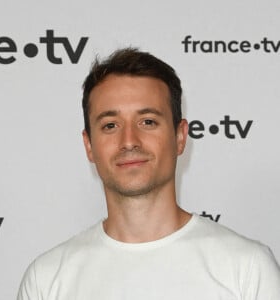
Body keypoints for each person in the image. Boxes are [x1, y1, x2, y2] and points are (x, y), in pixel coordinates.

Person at [17, 48, 280, 299]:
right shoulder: (46, 280)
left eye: (148, 122)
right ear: (89, 145)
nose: (129, 140)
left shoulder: (248, 269)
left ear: (180, 136)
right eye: (110, 125)